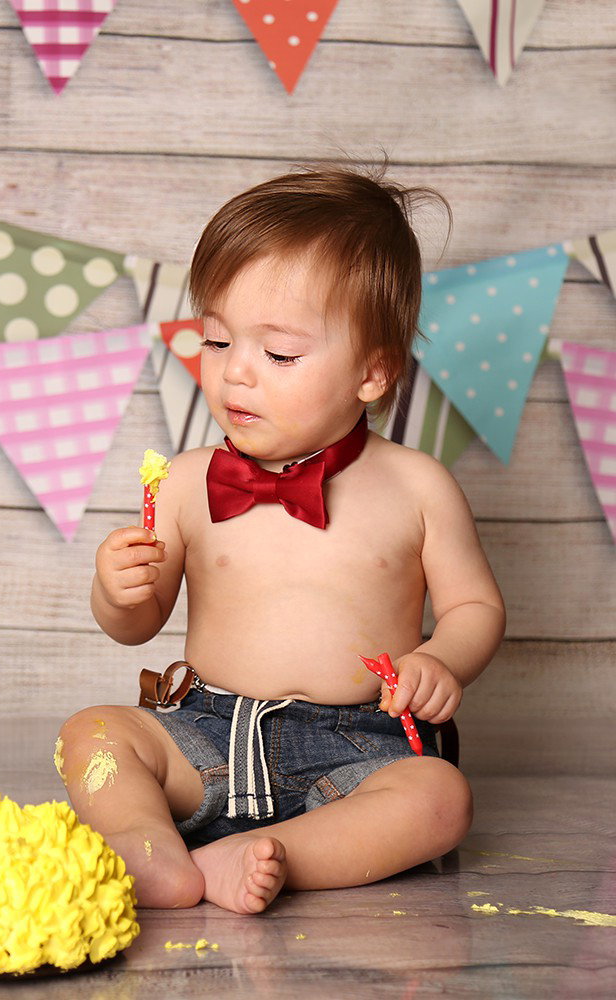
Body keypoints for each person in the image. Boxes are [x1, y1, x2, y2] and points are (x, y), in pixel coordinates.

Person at [57, 165, 506, 915]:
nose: (236, 372)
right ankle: (146, 843)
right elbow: (135, 628)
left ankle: (277, 858)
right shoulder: (185, 481)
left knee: (440, 801)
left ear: (373, 371)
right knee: (92, 732)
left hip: (359, 749)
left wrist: (439, 659)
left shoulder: (417, 487)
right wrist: (116, 591)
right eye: (218, 338)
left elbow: (476, 607)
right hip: (205, 734)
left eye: (280, 354)